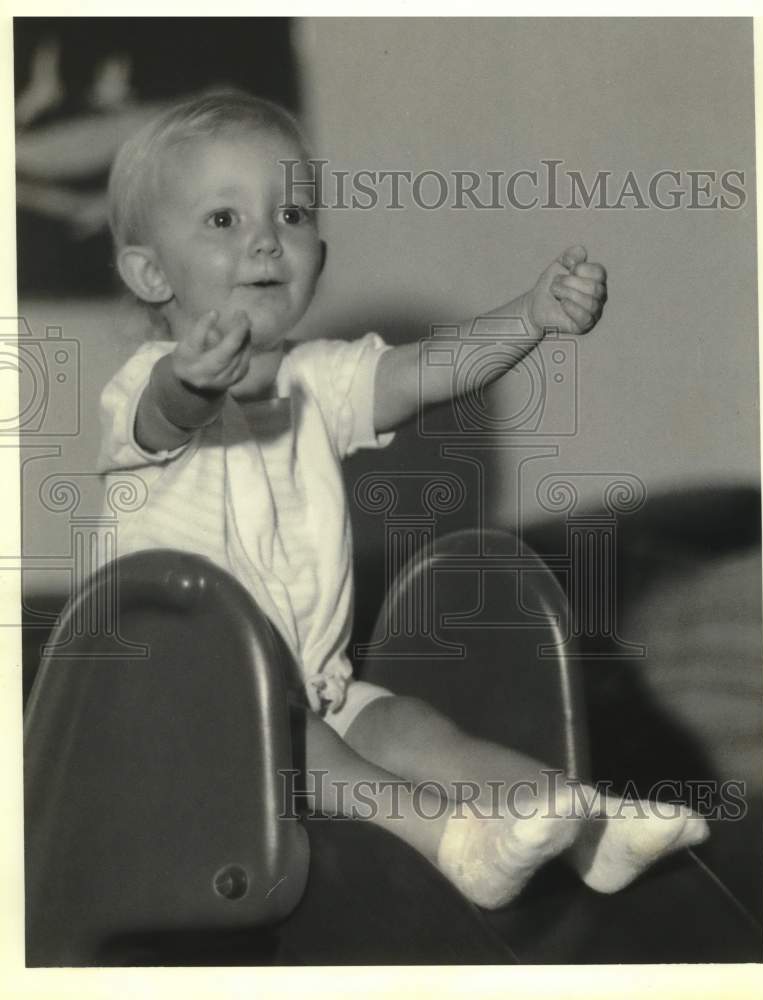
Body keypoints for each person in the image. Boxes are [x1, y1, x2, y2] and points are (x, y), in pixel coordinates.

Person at [97, 91, 708, 910]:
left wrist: (529, 317)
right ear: (149, 272)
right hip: (177, 718)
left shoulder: (316, 382)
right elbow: (163, 415)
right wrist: (190, 382)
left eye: (292, 212)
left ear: (320, 251)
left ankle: (582, 826)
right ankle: (456, 842)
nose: (266, 238)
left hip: (306, 694)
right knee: (303, 737)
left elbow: (423, 373)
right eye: (222, 221)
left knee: (410, 727)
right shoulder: (146, 382)